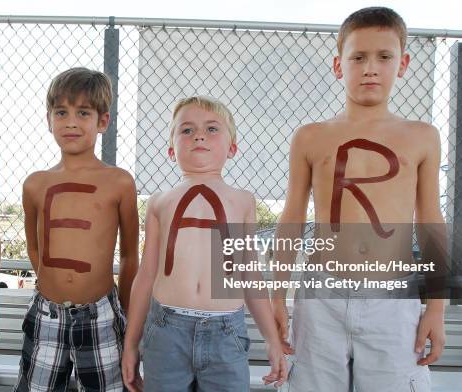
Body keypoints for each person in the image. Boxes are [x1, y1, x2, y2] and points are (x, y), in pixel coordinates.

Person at [271, 7, 446, 391]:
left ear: (403, 65)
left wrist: (436, 307)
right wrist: (277, 295)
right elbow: (292, 219)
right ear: (338, 65)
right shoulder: (311, 136)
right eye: (358, 57)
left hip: (393, 298)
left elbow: (431, 220)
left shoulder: (421, 136)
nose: (371, 68)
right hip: (321, 298)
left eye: (384, 57)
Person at [122, 96, 287, 392]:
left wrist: (272, 341)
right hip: (166, 330)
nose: (199, 135)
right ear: (171, 151)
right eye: (186, 130)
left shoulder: (242, 201)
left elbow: (250, 274)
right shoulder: (160, 202)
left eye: (212, 129)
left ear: (232, 147)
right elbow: (146, 275)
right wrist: (131, 343)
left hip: (226, 332)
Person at [14, 67, 139, 392]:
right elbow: (34, 247)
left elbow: (129, 255)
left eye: (83, 112)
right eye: (61, 112)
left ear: (102, 121)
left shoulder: (120, 182)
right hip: (47, 315)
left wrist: (124, 319)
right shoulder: (35, 184)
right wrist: (52, 286)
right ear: (49, 119)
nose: (71, 122)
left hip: (101, 315)